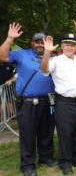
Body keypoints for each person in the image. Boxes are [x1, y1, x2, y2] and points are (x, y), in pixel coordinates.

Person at [0, 24, 56, 176]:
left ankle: (45, 157)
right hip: (28, 102)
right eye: (37, 42)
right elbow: (2, 57)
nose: (39, 44)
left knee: (46, 132)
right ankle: (27, 165)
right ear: (32, 43)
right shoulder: (21, 54)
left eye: (42, 42)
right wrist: (10, 38)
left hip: (48, 101)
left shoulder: (52, 56)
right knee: (28, 134)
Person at [40, 34, 76, 175]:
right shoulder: (55, 60)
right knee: (65, 134)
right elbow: (44, 70)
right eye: (67, 44)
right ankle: (65, 162)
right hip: (64, 102)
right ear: (62, 46)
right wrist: (46, 53)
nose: (70, 46)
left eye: (72, 44)